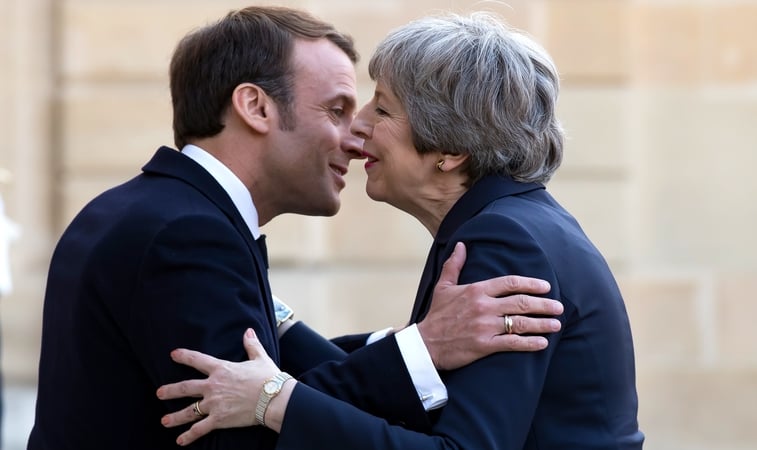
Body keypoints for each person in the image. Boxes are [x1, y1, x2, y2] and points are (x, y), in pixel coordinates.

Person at [26, 7, 564, 450]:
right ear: (255, 106)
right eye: (336, 110)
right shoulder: (184, 234)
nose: (357, 138)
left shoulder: (152, 210)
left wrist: (416, 346)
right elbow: (242, 428)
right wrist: (422, 347)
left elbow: (262, 390)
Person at [157, 11, 645, 449]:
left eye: (383, 110)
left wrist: (274, 401)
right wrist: (276, 320)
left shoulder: (504, 241)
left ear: (450, 151)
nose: (357, 129)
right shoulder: (517, 223)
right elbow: (410, 382)